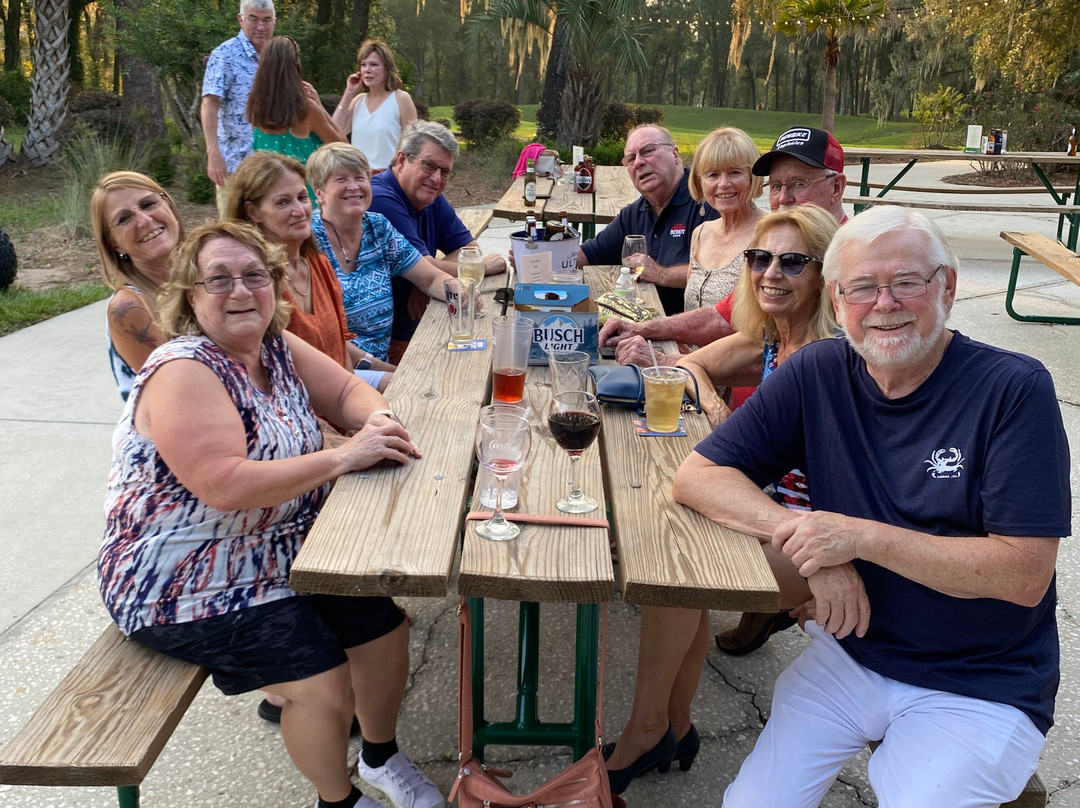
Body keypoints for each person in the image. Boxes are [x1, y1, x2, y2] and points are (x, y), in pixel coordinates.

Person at [675, 207, 1069, 808]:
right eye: (862, 287)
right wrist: (806, 538)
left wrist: (858, 538)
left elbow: (1022, 574)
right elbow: (698, 475)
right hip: (854, 654)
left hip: (982, 681)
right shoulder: (819, 370)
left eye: (906, 281)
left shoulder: (1013, 389)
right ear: (837, 297)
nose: (884, 303)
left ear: (949, 287)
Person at [98, 220, 446, 808]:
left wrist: (376, 420)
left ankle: (381, 756)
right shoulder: (185, 369)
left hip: (281, 544)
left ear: (273, 284)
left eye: (255, 275)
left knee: (383, 627)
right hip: (184, 573)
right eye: (220, 279)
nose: (241, 291)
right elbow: (226, 485)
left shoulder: (274, 344)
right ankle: (336, 800)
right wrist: (342, 459)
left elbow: (344, 395)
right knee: (321, 679)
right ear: (189, 295)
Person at [602, 205, 839, 796]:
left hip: (821, 539)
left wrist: (711, 405)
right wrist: (709, 395)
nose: (771, 274)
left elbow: (698, 389)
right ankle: (673, 726)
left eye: (793, 262)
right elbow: (688, 367)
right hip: (769, 509)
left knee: (679, 568)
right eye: (760, 259)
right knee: (679, 543)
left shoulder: (822, 354)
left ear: (825, 274)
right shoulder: (772, 337)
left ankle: (649, 729)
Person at [599, 125, 848, 366]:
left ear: (836, 188)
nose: (783, 198)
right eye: (775, 186)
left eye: (798, 184)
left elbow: (764, 352)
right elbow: (725, 319)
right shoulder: (782, 244)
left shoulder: (847, 260)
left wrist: (671, 363)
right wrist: (642, 330)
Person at [226, 151, 392, 392]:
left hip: (341, 390)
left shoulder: (318, 263)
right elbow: (265, 382)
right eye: (282, 202)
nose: (299, 210)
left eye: (302, 197)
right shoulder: (254, 285)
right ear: (253, 212)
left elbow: (340, 350)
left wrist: (355, 405)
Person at [609, 126, 764, 369]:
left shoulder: (767, 238)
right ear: (700, 181)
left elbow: (759, 343)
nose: (723, 184)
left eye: (735, 172)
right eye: (712, 175)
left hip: (733, 380)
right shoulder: (701, 233)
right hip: (689, 372)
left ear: (753, 177)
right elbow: (701, 311)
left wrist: (666, 360)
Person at [307, 142, 453, 372]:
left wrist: (462, 296)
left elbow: (430, 278)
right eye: (341, 180)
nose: (353, 187)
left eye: (359, 178)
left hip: (380, 366)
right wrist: (395, 374)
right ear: (319, 192)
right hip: (335, 370)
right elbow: (320, 337)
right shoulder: (308, 241)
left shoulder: (377, 227)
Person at [369, 120, 505, 361]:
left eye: (445, 172)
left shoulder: (430, 196)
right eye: (429, 166)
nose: (436, 179)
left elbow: (468, 249)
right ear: (401, 160)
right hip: (388, 346)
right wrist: (477, 268)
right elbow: (462, 261)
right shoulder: (380, 198)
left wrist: (425, 279)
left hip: (422, 325)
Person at [577, 124, 718, 316]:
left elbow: (718, 274)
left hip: (693, 332)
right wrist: (531, 254)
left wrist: (660, 274)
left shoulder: (707, 202)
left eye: (648, 151)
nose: (638, 163)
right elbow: (587, 255)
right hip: (644, 321)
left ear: (675, 156)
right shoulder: (634, 214)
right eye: (631, 158)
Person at [91, 171, 185, 400]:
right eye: (124, 219)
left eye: (149, 204)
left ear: (169, 207)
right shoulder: (128, 308)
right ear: (114, 243)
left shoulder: (211, 273)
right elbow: (183, 390)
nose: (144, 221)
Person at [246, 35, 346, 198]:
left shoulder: (255, 106)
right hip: (305, 198)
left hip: (269, 196)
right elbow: (343, 148)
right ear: (295, 65)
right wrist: (319, 104)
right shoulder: (305, 109)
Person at [201, 0, 275, 215]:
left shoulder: (276, 56)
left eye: (266, 20)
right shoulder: (224, 55)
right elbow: (209, 104)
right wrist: (213, 154)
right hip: (234, 167)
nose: (260, 26)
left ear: (274, 22)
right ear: (241, 19)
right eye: (253, 19)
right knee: (234, 234)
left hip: (272, 166)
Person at [330, 39, 418, 173]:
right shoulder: (358, 101)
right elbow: (335, 131)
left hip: (390, 178)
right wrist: (349, 93)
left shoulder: (401, 98)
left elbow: (414, 144)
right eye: (363, 65)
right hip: (360, 177)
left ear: (387, 69)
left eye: (374, 64)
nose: (367, 70)